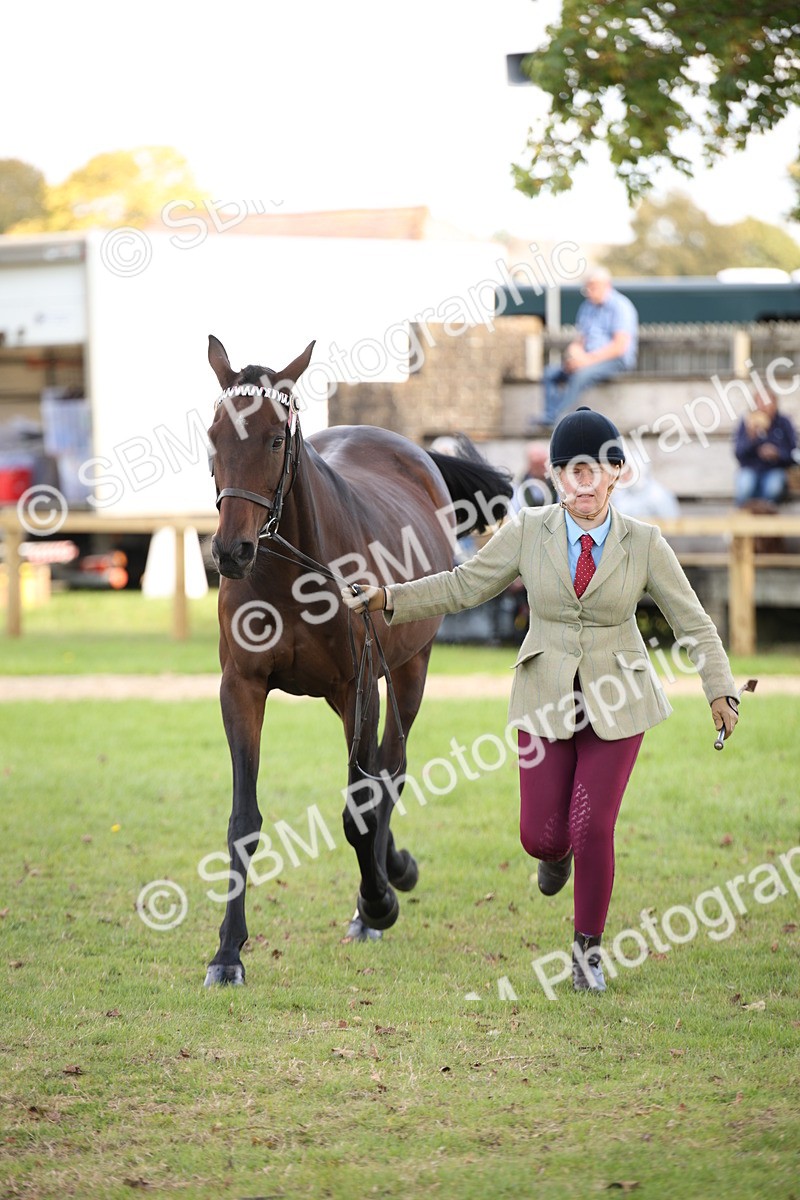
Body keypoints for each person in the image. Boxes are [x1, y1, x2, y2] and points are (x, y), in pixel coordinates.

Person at [342, 407, 739, 994]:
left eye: (594, 468)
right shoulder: (529, 531)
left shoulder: (645, 544)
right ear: (556, 477)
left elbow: (694, 622)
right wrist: (388, 597)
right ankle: (557, 856)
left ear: (616, 472)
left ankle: (587, 954)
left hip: (619, 700)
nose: (583, 481)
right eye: (571, 470)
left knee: (592, 825)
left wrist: (720, 688)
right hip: (544, 699)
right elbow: (464, 585)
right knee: (541, 838)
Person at [542, 268, 638, 426]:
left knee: (580, 375)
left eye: (593, 287)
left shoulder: (621, 306)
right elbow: (580, 340)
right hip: (587, 359)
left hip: (615, 361)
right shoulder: (587, 307)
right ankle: (549, 415)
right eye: (587, 288)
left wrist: (586, 361)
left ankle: (559, 420)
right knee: (550, 373)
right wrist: (574, 357)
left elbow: (619, 347)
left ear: (606, 285)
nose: (589, 292)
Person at [733, 390, 797, 508]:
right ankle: (744, 513)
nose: (764, 406)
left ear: (775, 404)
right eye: (760, 402)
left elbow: (793, 453)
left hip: (775, 468)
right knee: (746, 486)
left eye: (767, 402)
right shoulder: (747, 423)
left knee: (774, 488)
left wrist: (777, 453)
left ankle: (766, 512)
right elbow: (739, 453)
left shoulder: (784, 423)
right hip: (751, 468)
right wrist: (751, 438)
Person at [611, 460, 680, 520]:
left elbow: (671, 524)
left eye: (628, 471)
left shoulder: (658, 495)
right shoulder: (620, 496)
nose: (624, 475)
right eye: (622, 471)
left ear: (639, 470)